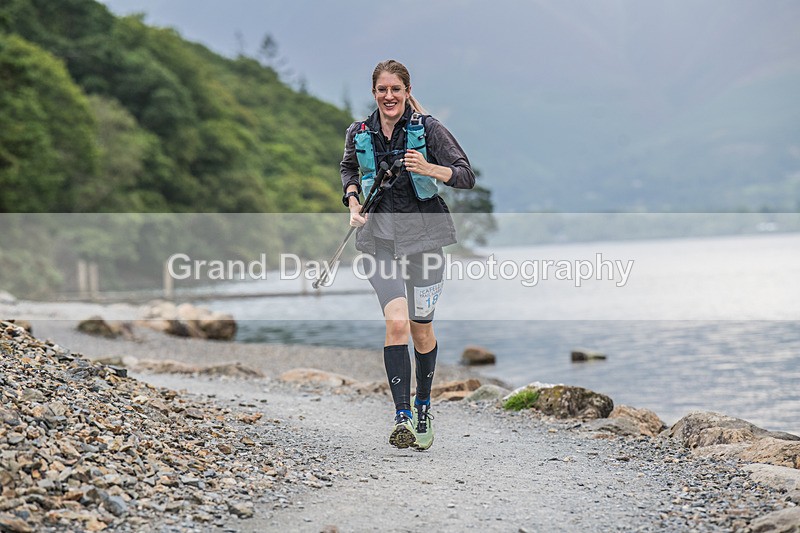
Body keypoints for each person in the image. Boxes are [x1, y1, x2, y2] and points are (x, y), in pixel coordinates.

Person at [340, 59, 475, 450]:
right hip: (378, 241)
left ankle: (423, 407)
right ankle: (400, 417)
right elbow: (350, 170)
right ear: (374, 93)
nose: (388, 96)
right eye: (381, 90)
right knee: (396, 322)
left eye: (395, 89)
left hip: (426, 242)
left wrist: (430, 167)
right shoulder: (359, 132)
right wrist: (352, 202)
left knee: (421, 329)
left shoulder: (428, 129)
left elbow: (465, 175)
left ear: (407, 91)